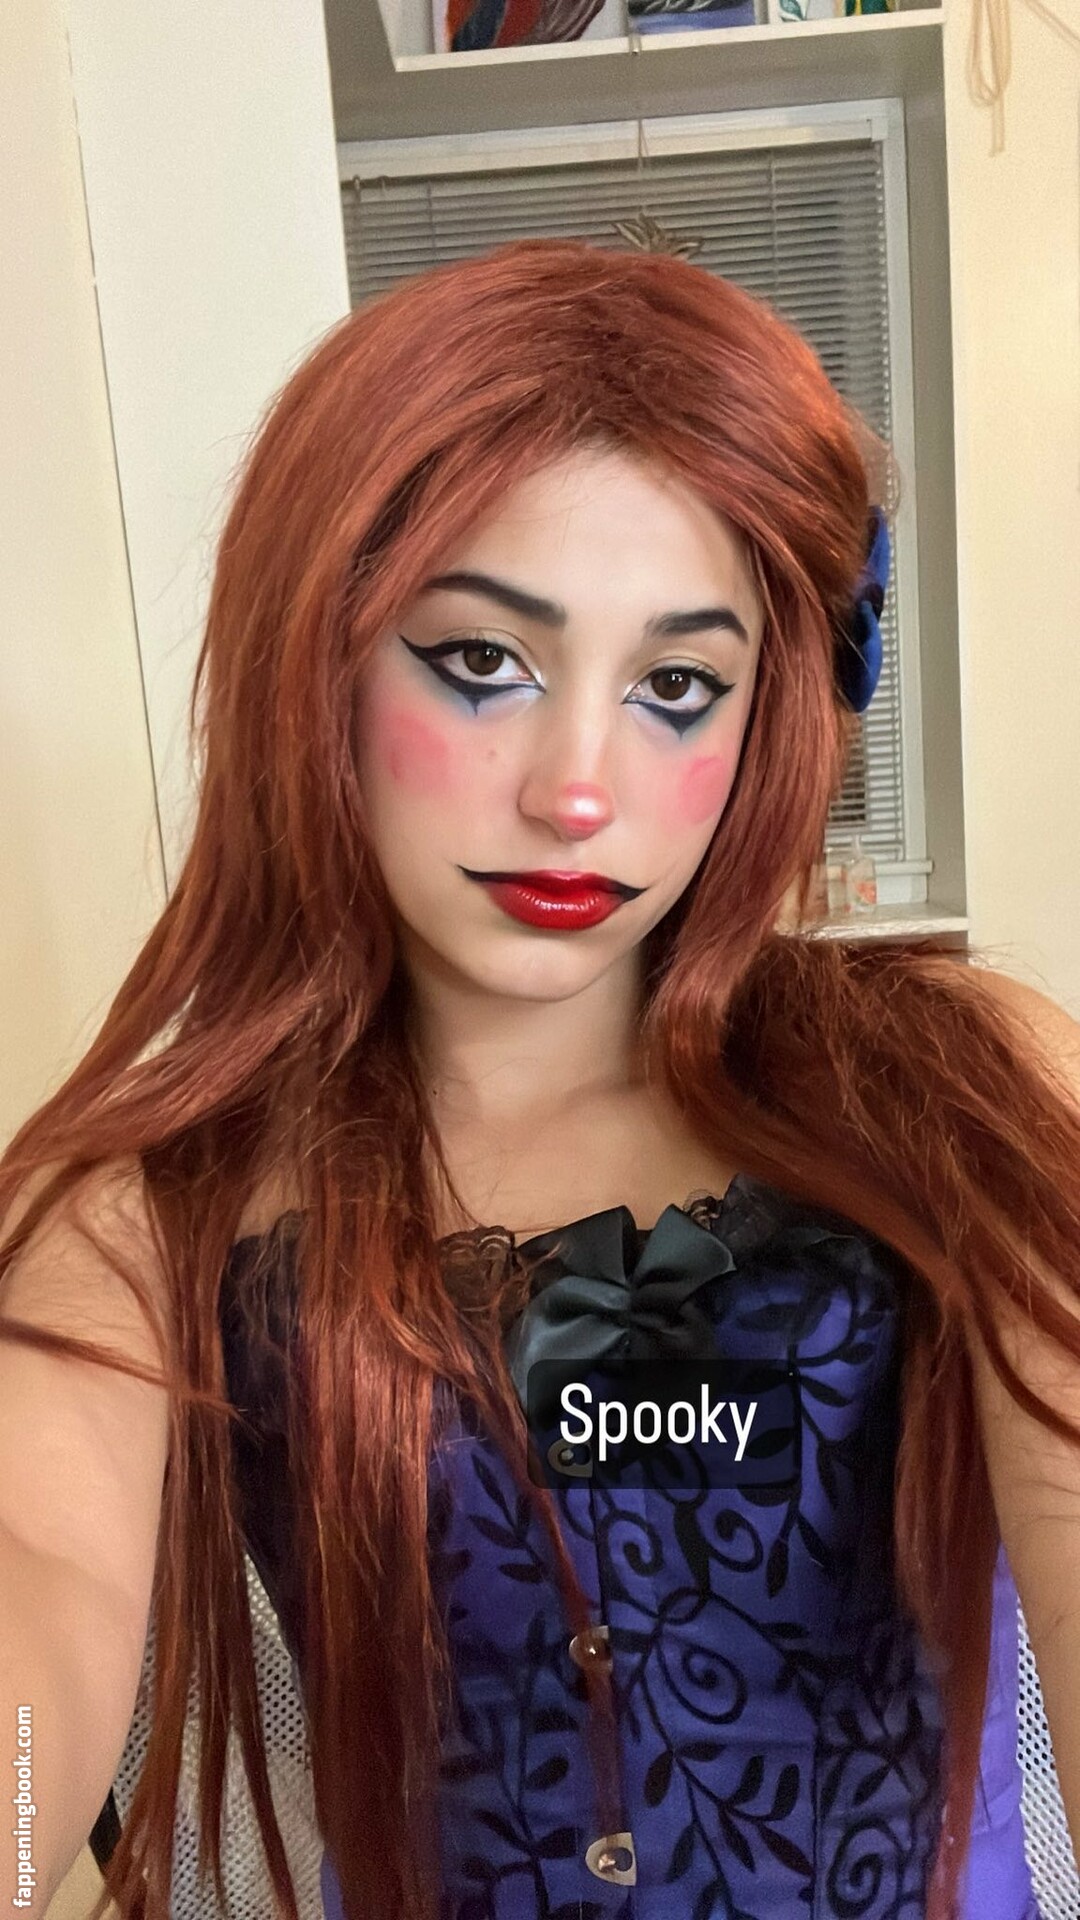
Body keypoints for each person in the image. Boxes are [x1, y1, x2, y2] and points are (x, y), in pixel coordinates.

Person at [2, 236, 1079, 1920]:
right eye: (483, 662)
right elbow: (39, 1590)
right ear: (315, 662)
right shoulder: (149, 1205)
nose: (579, 790)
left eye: (677, 687)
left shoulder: (954, 1085)